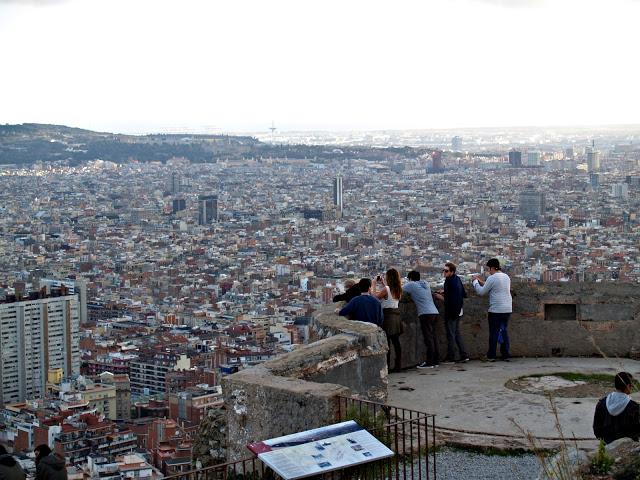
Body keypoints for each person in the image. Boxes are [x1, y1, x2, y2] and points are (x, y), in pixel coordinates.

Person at [472, 258, 512, 362]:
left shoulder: (492, 278)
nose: (488, 271)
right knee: (503, 331)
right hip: (507, 308)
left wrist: (475, 282)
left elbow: (481, 292)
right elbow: (495, 285)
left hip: (496, 310)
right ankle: (506, 354)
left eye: (488, 269)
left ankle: (492, 355)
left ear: (492, 267)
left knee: (494, 332)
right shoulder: (506, 277)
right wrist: (483, 281)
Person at [403, 270, 440, 369]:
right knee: (433, 337)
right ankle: (436, 360)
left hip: (425, 313)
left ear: (410, 278)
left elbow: (399, 290)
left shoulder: (411, 284)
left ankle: (430, 362)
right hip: (434, 312)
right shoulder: (426, 284)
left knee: (428, 338)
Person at [434, 262, 469, 364]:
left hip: (452, 311)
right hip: (459, 310)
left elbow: (449, 300)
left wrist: (440, 297)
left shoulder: (449, 282)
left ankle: (451, 357)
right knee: (457, 333)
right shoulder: (457, 279)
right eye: (443, 270)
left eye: (446, 271)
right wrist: (445, 291)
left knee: (451, 335)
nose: (444, 273)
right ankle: (464, 355)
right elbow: (463, 294)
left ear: (452, 272)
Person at [593, 372, 640, 444]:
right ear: (628, 386)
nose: (632, 387)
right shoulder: (633, 407)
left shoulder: (602, 403)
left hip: (606, 445)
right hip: (626, 448)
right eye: (631, 385)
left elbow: (597, 429)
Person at [372, 268, 404, 373]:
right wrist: (383, 283)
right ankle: (398, 365)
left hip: (388, 316)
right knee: (396, 342)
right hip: (396, 316)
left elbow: (375, 297)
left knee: (387, 342)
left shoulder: (386, 289)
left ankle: (387, 366)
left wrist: (373, 284)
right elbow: (389, 293)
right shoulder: (398, 289)